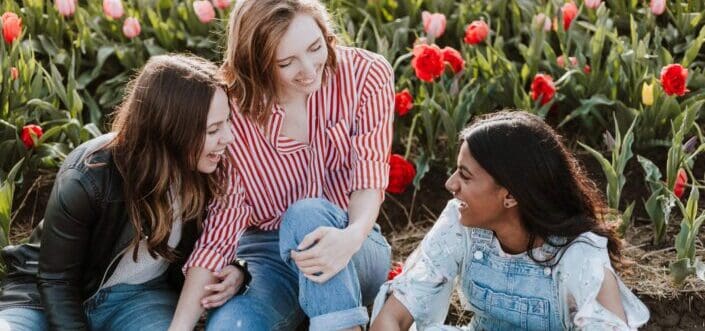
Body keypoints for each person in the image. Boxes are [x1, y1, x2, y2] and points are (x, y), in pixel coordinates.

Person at [169, 0, 394, 330]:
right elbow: (220, 230)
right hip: (269, 257)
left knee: (306, 215)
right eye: (287, 62)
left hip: (351, 242)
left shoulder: (366, 75)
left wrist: (352, 236)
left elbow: (369, 176)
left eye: (315, 47)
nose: (309, 68)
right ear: (257, 65)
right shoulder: (235, 112)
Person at [0, 54, 243, 330]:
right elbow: (57, 282)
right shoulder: (88, 176)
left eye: (227, 123)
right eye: (213, 130)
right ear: (171, 131)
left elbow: (230, 233)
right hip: (44, 297)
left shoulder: (210, 172)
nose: (229, 138)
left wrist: (239, 269)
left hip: (138, 298)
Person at [370, 111, 650, 331]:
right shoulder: (459, 224)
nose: (450, 184)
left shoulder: (579, 255)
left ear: (511, 196)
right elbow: (392, 317)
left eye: (465, 176)